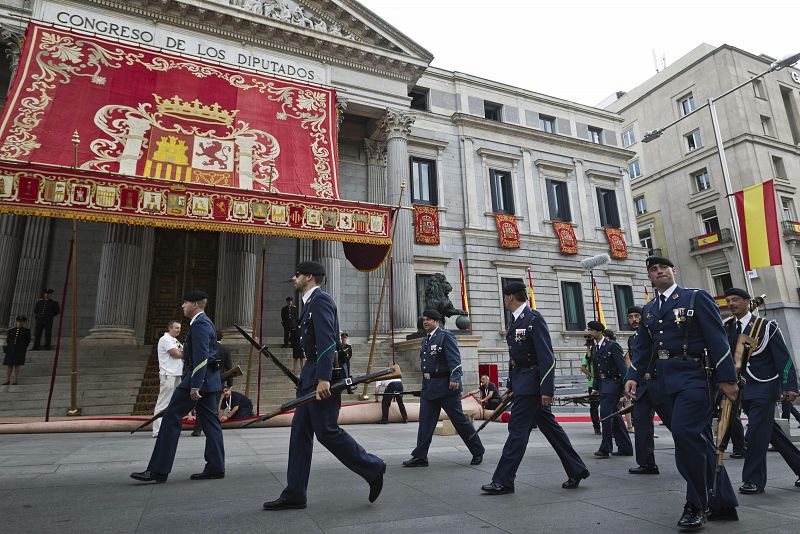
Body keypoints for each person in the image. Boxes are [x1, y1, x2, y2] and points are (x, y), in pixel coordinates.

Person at [625, 256, 739, 530]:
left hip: (694, 378)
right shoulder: (650, 309)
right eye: (653, 270)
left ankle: (696, 504)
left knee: (686, 434)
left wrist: (727, 378)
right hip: (664, 382)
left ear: (673, 271)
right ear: (649, 278)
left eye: (663, 267)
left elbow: (717, 338)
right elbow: (642, 348)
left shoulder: (694, 298)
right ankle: (721, 501)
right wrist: (632, 376)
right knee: (698, 441)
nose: (659, 271)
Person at [263, 261, 385, 510]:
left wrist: (324, 378)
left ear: (309, 276)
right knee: (299, 434)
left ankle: (373, 467)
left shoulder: (321, 301)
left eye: (297, 275)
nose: (293, 278)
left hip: (320, 374)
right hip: (311, 373)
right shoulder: (308, 303)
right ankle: (295, 492)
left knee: (327, 431)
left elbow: (329, 341)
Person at [482, 282, 589, 494]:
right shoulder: (515, 321)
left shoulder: (534, 319)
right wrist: (512, 385)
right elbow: (515, 359)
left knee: (517, 431)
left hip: (532, 386)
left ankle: (503, 480)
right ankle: (576, 469)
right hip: (523, 384)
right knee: (551, 429)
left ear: (510, 297)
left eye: (505, 297)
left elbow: (547, 357)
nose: (504, 301)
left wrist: (547, 389)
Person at [131, 290, 225, 483]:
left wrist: (195, 385)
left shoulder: (199, 324)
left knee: (171, 417)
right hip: (210, 381)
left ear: (195, 305)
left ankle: (158, 469)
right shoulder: (205, 322)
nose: (182, 306)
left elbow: (201, 357)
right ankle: (216, 467)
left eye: (185, 303)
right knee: (211, 423)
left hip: (197, 381)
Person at [723, 288, 800, 493]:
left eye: (736, 300)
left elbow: (783, 358)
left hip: (765, 386)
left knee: (755, 433)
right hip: (742, 389)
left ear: (747, 301)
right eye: (728, 300)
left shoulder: (766, 327)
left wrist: (790, 385)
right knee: (771, 433)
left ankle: (753, 480)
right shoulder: (728, 327)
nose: (731, 304)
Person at [403, 308, 484, 467]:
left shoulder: (445, 336)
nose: (425, 321)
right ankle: (420, 456)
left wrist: (455, 377)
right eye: (424, 319)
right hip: (429, 388)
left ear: (437, 321)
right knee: (425, 422)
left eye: (429, 319)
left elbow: (455, 359)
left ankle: (477, 450)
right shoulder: (426, 339)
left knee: (459, 420)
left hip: (447, 388)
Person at [626, 305, 673, 475]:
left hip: (659, 383)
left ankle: (694, 456)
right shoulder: (632, 339)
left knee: (675, 424)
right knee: (641, 424)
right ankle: (646, 463)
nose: (634, 320)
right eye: (630, 317)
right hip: (642, 386)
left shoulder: (656, 333)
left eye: (637, 316)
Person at [588, 321, 633, 458]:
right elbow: (596, 370)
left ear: (599, 331)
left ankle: (605, 448)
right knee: (614, 415)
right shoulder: (594, 347)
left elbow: (622, 367)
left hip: (613, 385)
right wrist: (595, 387)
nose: (589, 333)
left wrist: (625, 387)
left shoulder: (612, 346)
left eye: (591, 330)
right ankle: (625, 447)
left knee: (605, 416)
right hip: (603, 384)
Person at [192, 329, 232, 437]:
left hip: (203, 380)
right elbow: (229, 368)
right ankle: (211, 429)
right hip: (218, 381)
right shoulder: (225, 349)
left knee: (200, 405)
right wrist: (229, 385)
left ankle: (197, 429)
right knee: (213, 406)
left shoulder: (206, 347)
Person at [152, 320, 183, 438]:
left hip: (177, 373)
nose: (178, 330)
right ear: (170, 328)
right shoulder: (165, 339)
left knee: (174, 402)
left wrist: (182, 352)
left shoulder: (175, 340)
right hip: (168, 373)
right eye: (176, 328)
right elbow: (176, 353)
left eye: (179, 328)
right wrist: (182, 352)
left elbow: (183, 351)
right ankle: (157, 430)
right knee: (163, 402)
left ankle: (169, 428)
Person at [579, 335, 601, 435]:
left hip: (603, 383)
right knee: (594, 407)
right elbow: (582, 367)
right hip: (593, 384)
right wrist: (593, 375)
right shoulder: (588, 355)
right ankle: (596, 427)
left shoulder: (601, 351)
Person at [3, 315, 31, 385]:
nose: (20, 323)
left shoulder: (26, 331)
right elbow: (8, 340)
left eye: (22, 322)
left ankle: (15, 380)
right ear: (16, 321)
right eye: (18, 321)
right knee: (9, 365)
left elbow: (27, 341)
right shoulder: (11, 330)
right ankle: (7, 380)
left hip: (19, 351)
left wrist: (22, 348)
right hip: (11, 350)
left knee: (17, 365)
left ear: (24, 322)